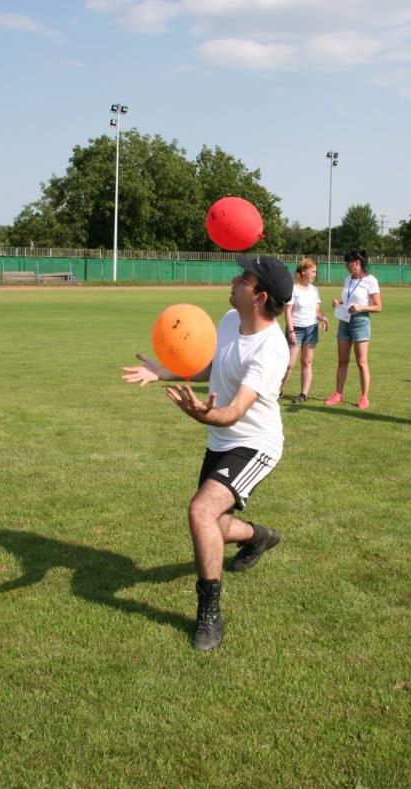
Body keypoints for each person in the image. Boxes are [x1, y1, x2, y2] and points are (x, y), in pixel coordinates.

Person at [122, 255, 293, 651]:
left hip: (255, 444)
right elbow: (213, 365)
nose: (234, 279)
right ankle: (259, 536)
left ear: (260, 297)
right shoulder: (231, 320)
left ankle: (209, 611)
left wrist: (204, 414)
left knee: (201, 512)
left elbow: (234, 411)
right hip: (221, 441)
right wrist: (165, 371)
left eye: (244, 277)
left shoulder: (271, 350)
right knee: (213, 523)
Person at [324, 249, 382, 409]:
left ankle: (364, 397)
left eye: (348, 263)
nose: (347, 267)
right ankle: (338, 394)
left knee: (361, 362)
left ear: (357, 263)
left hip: (360, 322)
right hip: (344, 320)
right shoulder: (348, 279)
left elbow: (378, 306)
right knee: (342, 361)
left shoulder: (371, 280)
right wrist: (339, 304)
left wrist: (361, 307)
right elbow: (349, 301)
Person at [281, 257, 328, 403]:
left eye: (315, 272)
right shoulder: (293, 289)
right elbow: (288, 311)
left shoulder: (315, 290)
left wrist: (323, 318)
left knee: (307, 362)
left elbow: (317, 310)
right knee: (289, 364)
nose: (315, 274)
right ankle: (277, 390)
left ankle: (303, 394)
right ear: (303, 272)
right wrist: (291, 331)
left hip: (311, 329)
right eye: (312, 271)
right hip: (296, 329)